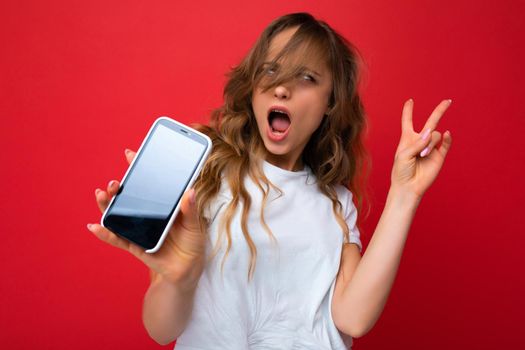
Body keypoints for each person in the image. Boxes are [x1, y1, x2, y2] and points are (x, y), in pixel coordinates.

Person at [87, 12, 452, 350]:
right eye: (271, 71)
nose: (281, 89)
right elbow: (161, 329)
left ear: (331, 102)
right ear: (253, 86)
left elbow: (353, 318)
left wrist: (404, 194)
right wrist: (180, 278)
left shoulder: (336, 204)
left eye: (306, 78)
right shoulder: (206, 172)